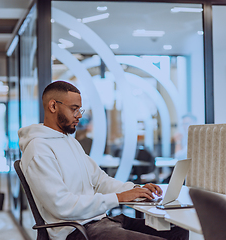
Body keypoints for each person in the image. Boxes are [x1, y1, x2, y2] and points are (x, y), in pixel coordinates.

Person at [18, 81, 188, 240]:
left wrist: (137, 190)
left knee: (177, 229)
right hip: (76, 230)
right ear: (53, 106)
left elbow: (101, 181)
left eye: (80, 110)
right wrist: (118, 198)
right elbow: (62, 205)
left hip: (100, 221)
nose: (79, 116)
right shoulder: (38, 150)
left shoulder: (70, 142)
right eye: (74, 109)